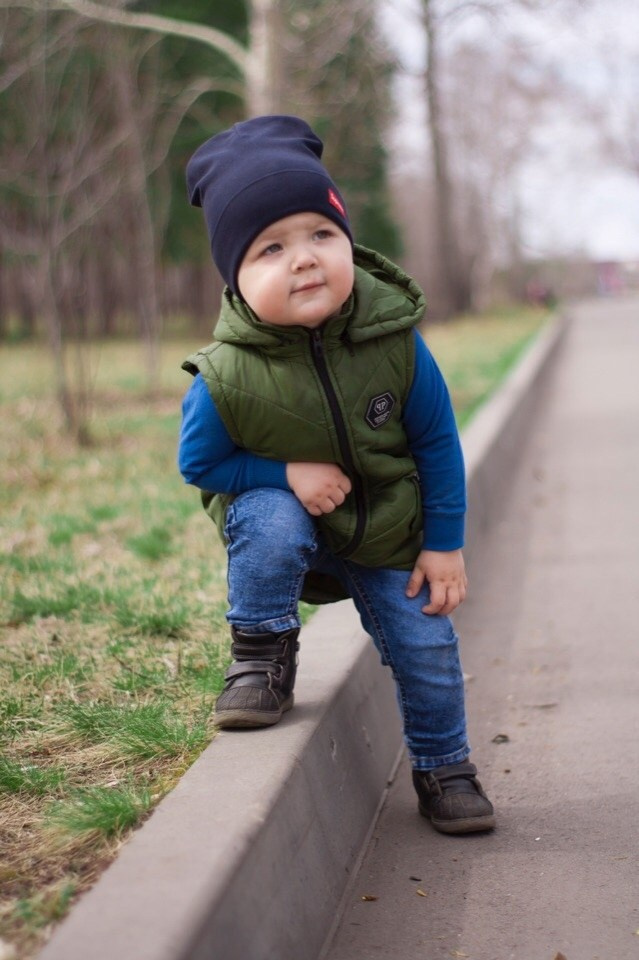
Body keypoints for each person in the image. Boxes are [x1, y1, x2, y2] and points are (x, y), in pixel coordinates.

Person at [178, 115, 495, 835]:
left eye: (321, 235)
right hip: (287, 528)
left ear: (347, 241)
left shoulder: (395, 343)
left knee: (428, 645)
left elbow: (438, 444)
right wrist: (285, 471)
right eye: (270, 248)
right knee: (267, 512)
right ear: (234, 274)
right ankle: (259, 656)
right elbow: (199, 464)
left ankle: (445, 768)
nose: (303, 259)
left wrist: (443, 544)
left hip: (385, 526)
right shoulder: (224, 376)